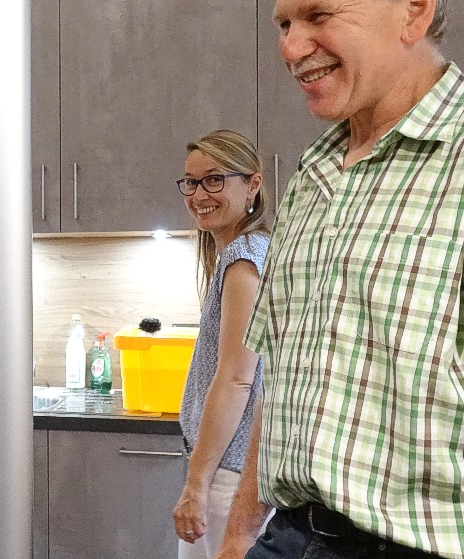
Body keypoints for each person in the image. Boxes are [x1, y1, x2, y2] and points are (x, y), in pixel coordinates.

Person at [218, 1, 464, 558]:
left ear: (413, 11)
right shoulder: (315, 173)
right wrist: (240, 534)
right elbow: (283, 378)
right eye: (284, 24)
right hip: (290, 536)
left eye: (320, 15)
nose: (291, 47)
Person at [170, 130, 270, 559]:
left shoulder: (244, 258)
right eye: (191, 182)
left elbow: (235, 380)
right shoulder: (250, 250)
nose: (199, 194)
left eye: (214, 179)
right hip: (232, 468)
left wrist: (196, 484)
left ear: (252, 184)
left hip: (228, 474)